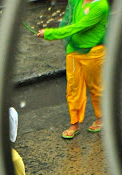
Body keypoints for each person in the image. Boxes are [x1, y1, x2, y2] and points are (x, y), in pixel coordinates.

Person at [37, 0, 109, 139]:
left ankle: (101, 117)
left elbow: (78, 27)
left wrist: (50, 33)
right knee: (73, 88)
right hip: (74, 50)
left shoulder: (100, 6)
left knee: (96, 87)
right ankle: (74, 123)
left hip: (93, 52)